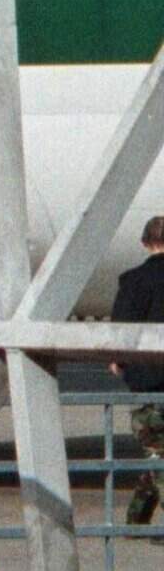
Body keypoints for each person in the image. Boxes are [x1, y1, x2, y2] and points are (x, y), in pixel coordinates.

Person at [116, 216, 164, 526]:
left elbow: (122, 328)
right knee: (158, 455)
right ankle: (136, 519)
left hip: (147, 381)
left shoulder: (132, 280)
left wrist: (120, 362)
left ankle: (136, 519)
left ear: (145, 242)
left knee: (158, 450)